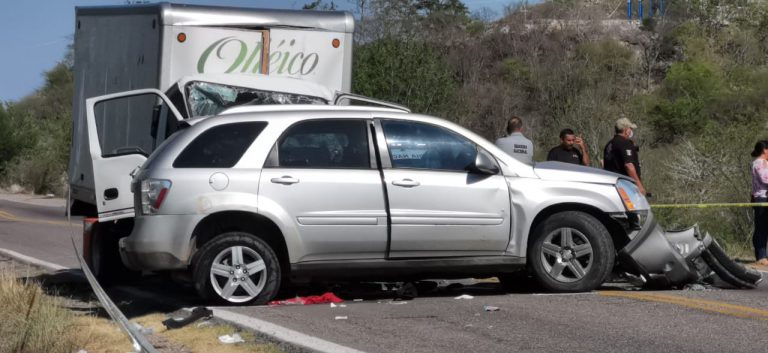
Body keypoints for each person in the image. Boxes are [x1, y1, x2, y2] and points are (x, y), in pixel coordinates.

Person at [603, 117, 646, 195]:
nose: (631, 131)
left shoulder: (610, 144)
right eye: (630, 129)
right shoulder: (624, 143)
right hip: (626, 187)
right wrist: (639, 185)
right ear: (626, 130)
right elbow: (628, 165)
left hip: (613, 186)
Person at [750, 140, 768, 266]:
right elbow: (764, 178)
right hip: (761, 198)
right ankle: (761, 256)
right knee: (761, 227)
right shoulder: (758, 163)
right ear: (765, 150)